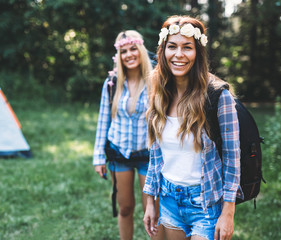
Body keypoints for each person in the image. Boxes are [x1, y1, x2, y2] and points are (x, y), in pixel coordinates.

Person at [143, 15, 243, 240]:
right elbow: (155, 154)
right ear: (163, 51)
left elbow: (232, 158)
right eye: (172, 47)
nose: (179, 54)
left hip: (206, 204)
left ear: (197, 52)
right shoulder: (158, 93)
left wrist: (228, 212)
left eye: (187, 47)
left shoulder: (218, 96)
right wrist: (150, 200)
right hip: (168, 199)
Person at [93, 30, 164, 240]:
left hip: (148, 156)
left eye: (133, 49)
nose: (129, 54)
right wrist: (98, 156)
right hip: (119, 153)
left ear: (141, 50)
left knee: (152, 212)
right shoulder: (112, 84)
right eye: (124, 51)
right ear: (118, 56)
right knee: (124, 208)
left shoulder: (155, 82)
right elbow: (103, 121)